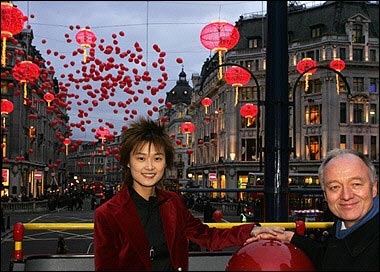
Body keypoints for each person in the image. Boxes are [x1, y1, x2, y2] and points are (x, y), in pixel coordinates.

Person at [93, 117, 260, 271]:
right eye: (141, 158)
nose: (150, 166)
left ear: (165, 162)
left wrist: (251, 231)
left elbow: (207, 236)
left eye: (157, 158)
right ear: (128, 163)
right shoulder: (108, 213)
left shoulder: (172, 202)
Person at [246, 148, 379, 271]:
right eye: (335, 187)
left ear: (374, 188)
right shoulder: (342, 228)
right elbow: (328, 259)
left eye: (356, 184)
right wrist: (290, 237)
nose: (346, 196)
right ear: (325, 196)